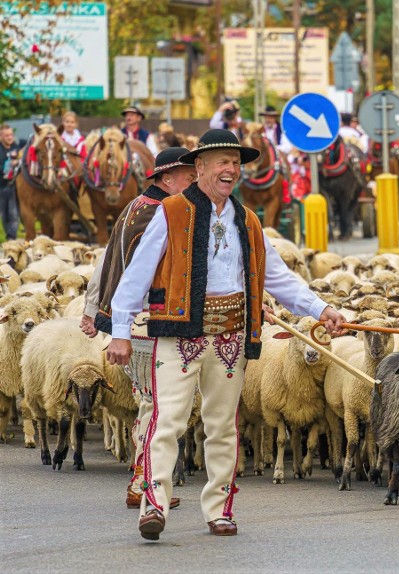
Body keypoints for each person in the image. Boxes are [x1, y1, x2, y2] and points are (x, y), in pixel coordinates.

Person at [105, 129, 345, 540]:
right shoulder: (171, 213)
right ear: (199, 168)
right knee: (168, 421)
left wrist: (320, 308)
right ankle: (154, 504)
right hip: (179, 333)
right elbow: (136, 276)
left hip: (231, 334)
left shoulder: (247, 220)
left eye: (235, 162)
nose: (230, 169)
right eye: (221, 161)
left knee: (222, 426)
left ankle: (218, 509)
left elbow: (278, 277)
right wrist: (120, 332)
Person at [80, 147, 197, 511]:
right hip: (149, 320)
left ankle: (141, 480)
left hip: (135, 322)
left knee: (151, 403)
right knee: (156, 406)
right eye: (188, 176)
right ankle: (143, 484)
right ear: (166, 180)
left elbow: (106, 260)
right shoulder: (163, 212)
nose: (194, 181)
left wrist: (92, 308)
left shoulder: (135, 207)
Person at [0, 124, 25, 241]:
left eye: (11, 135)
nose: (10, 137)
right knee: (4, 215)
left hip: (15, 186)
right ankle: (8, 235)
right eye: (6, 136)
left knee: (14, 214)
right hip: (2, 186)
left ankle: (12, 237)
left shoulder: (17, 146)